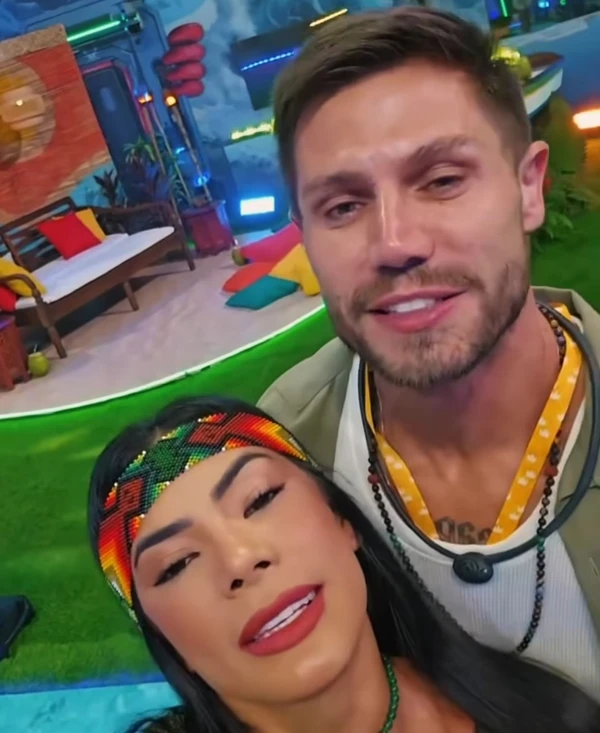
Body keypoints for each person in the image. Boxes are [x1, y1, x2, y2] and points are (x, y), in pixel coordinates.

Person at [258, 6, 600, 698]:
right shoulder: (282, 447)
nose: (395, 243)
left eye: (442, 180)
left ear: (528, 187)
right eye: (342, 206)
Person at [88, 397, 600, 733]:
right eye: (177, 564)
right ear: (162, 635)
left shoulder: (542, 711)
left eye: (260, 499)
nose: (240, 558)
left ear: (342, 521)